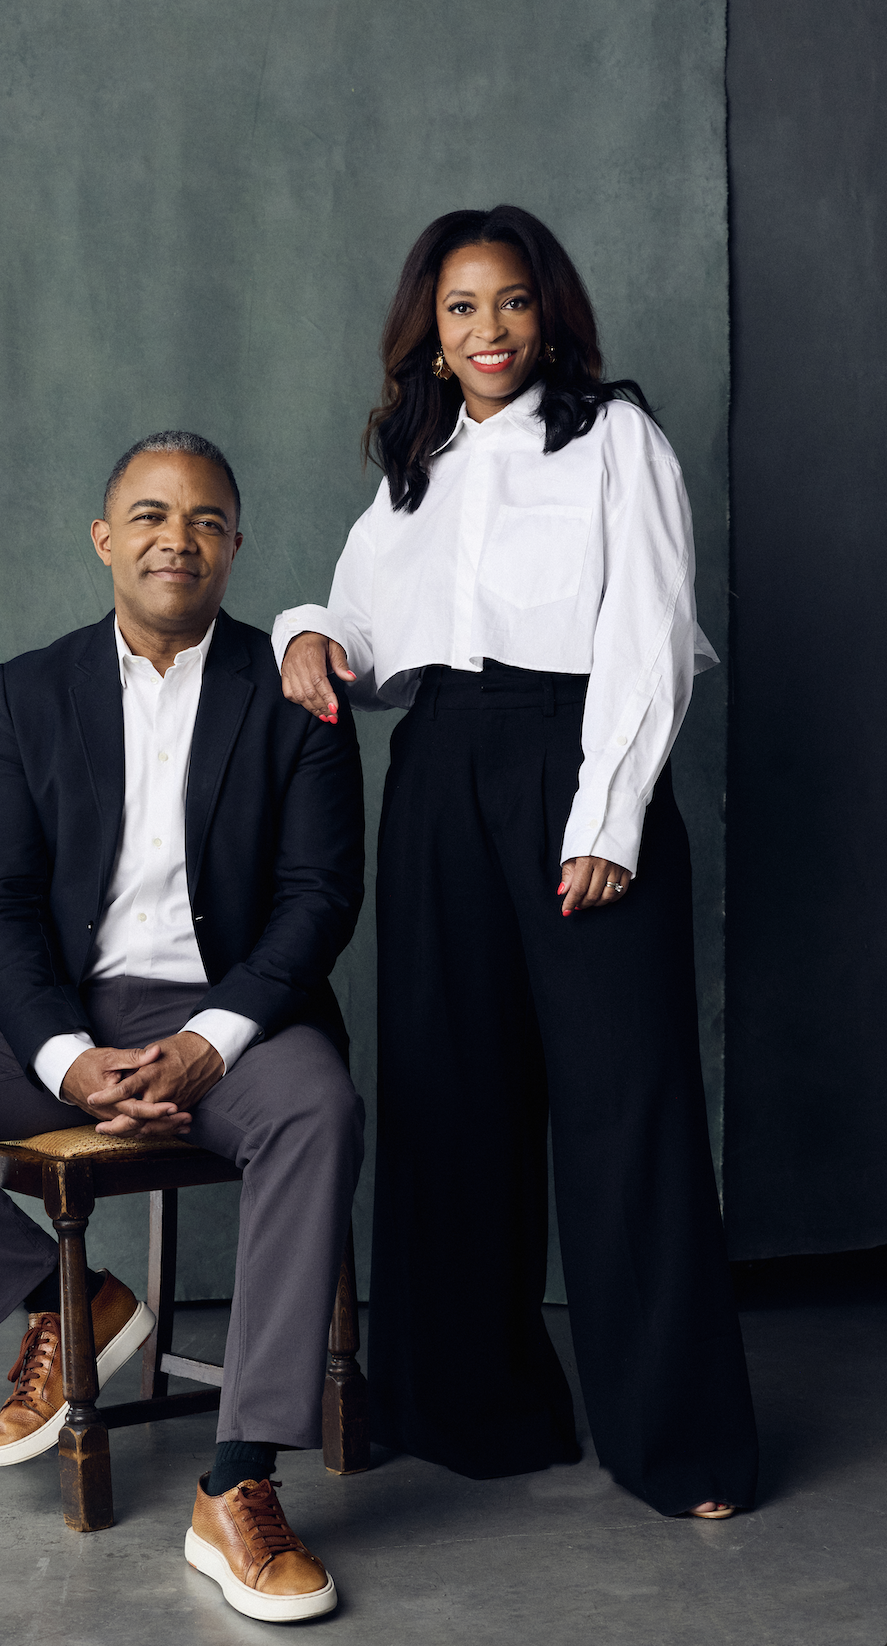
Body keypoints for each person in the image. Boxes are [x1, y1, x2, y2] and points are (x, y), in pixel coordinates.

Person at [0, 431, 365, 1623]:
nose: (178, 537)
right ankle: (69, 1304)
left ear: (236, 546)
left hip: (231, 1019)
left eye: (207, 519)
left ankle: (239, 1481)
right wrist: (65, 1057)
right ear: (106, 540)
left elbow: (321, 894)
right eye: (151, 515)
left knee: (319, 1105)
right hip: (55, 1015)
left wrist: (213, 1038)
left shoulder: (293, 691)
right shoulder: (28, 688)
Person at [274, 206, 758, 1520]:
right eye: (458, 310)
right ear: (426, 335)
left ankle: (681, 1442)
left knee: (623, 1106)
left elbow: (649, 630)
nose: (486, 332)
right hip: (436, 772)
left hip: (575, 756)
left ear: (548, 312)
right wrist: (308, 635)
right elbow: (364, 622)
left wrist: (605, 818)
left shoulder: (615, 440)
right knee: (448, 1090)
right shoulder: (414, 470)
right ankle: (472, 1410)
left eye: (509, 303)